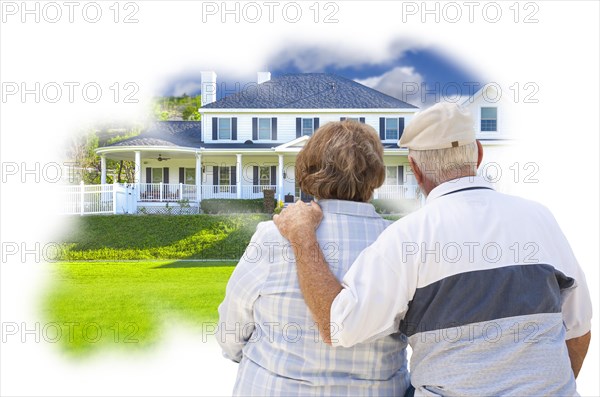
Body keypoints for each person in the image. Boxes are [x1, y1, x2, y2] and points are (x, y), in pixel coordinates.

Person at [274, 103, 592, 396]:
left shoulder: (407, 237)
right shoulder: (540, 218)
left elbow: (338, 326)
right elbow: (578, 330)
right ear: (478, 155)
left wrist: (303, 236)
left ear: (414, 168)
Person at [217, 120, 410, 396]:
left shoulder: (273, 236)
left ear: (309, 169)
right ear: (376, 174)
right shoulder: (399, 243)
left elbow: (231, 329)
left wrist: (249, 359)